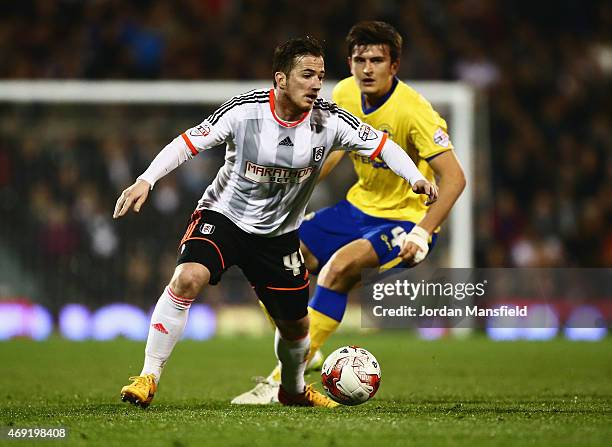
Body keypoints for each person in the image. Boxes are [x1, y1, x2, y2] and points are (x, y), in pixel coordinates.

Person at [114, 35, 438, 409]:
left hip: (279, 235)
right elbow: (188, 143)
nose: (316, 84)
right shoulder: (244, 112)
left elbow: (382, 146)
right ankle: (148, 376)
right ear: (280, 79)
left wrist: (414, 177)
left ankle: (293, 390)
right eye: (307, 75)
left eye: (320, 75)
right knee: (188, 278)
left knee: (297, 328)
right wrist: (146, 179)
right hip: (225, 217)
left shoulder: (330, 120)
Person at [232, 21, 465, 405]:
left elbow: (454, 178)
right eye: (360, 60)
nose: (367, 68)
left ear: (395, 66)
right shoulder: (342, 93)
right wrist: (293, 192)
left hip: (404, 220)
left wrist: (422, 232)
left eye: (377, 60)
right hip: (356, 207)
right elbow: (332, 150)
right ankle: (308, 345)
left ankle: (280, 382)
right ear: (350, 63)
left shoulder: (415, 112)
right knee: (274, 257)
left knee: (337, 268)